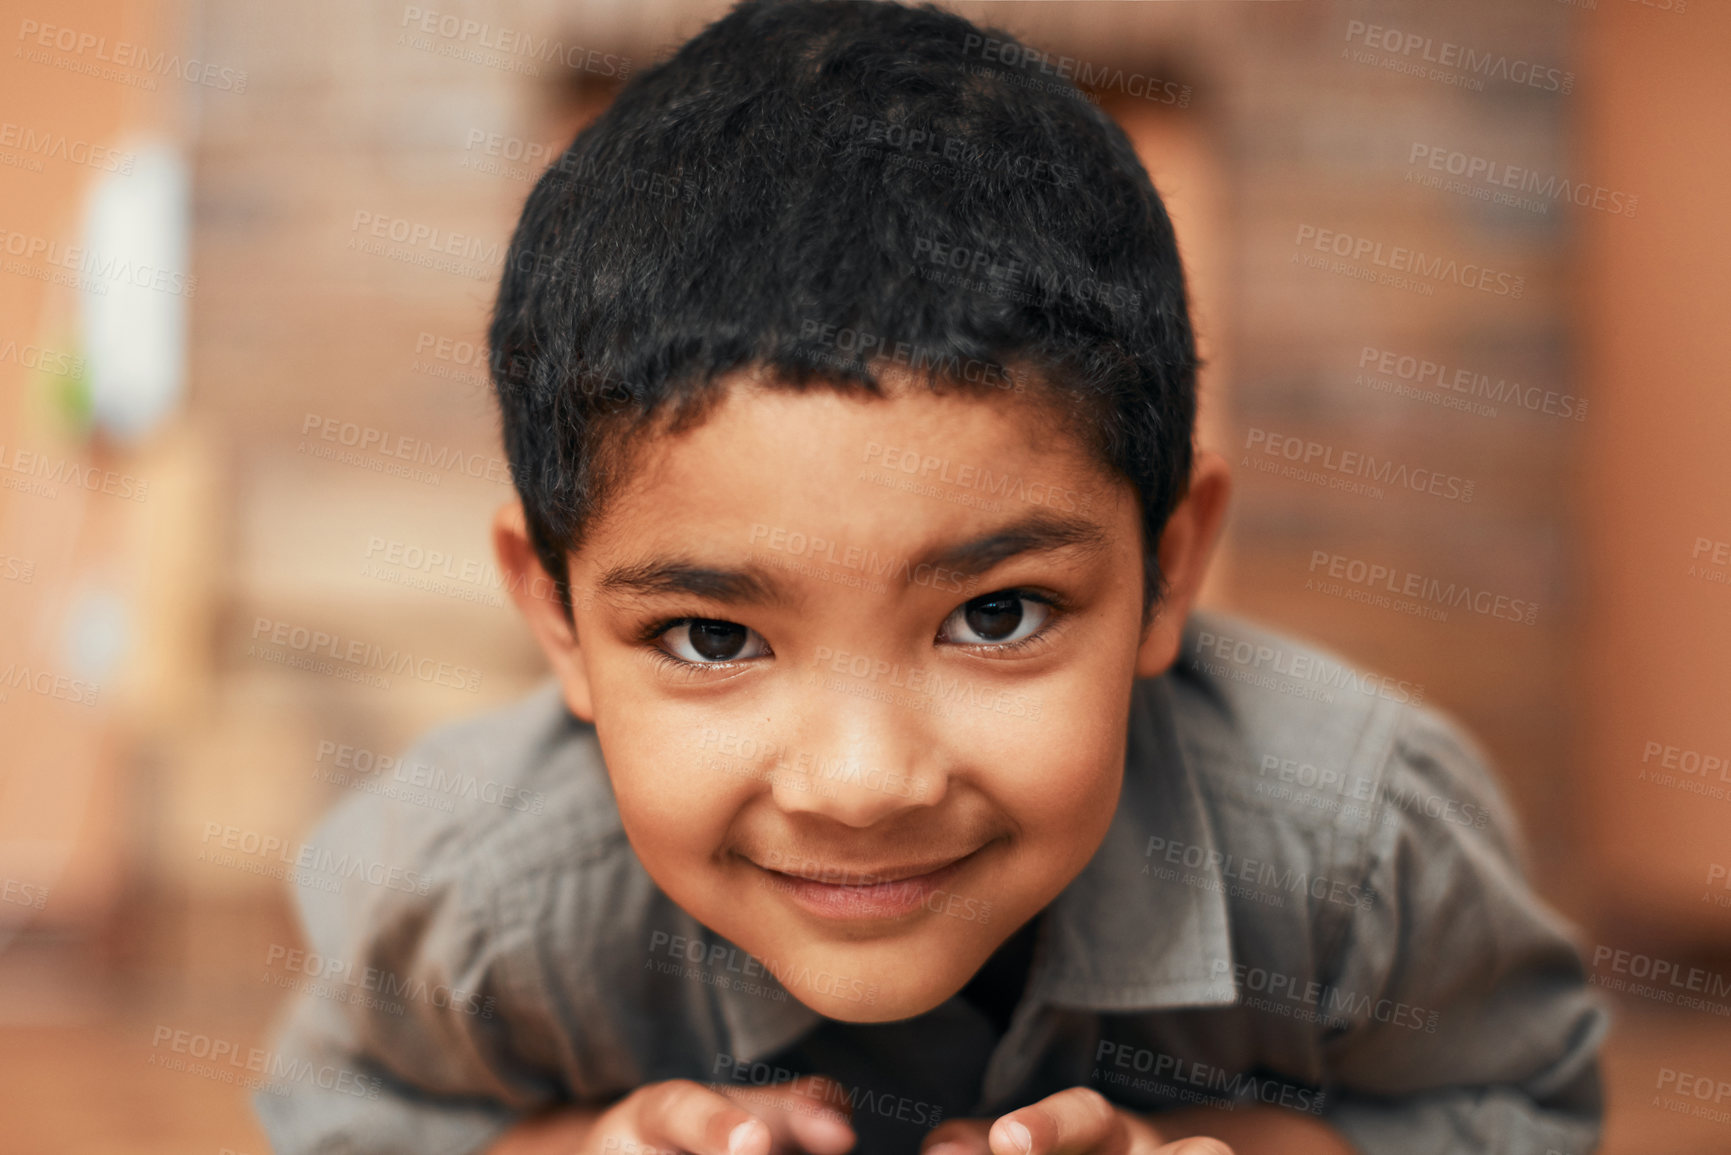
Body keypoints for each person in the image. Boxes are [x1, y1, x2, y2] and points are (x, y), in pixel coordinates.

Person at [255, 2, 1607, 1153]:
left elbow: (1520, 1103)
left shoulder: (1355, 843)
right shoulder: (484, 897)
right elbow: (343, 1114)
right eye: (713, 637)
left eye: (996, 615)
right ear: (551, 608)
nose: (861, 782)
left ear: (1169, 562)